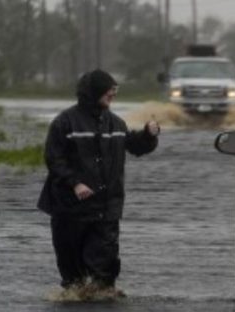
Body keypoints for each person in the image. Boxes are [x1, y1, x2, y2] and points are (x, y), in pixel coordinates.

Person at [37, 69, 160, 298]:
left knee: (104, 274)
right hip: (69, 209)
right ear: (94, 92)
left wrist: (148, 135)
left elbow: (135, 146)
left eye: (115, 89)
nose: (113, 93)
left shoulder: (116, 123)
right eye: (109, 89)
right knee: (73, 277)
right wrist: (75, 184)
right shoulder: (65, 122)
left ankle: (103, 297)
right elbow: (54, 160)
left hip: (106, 209)